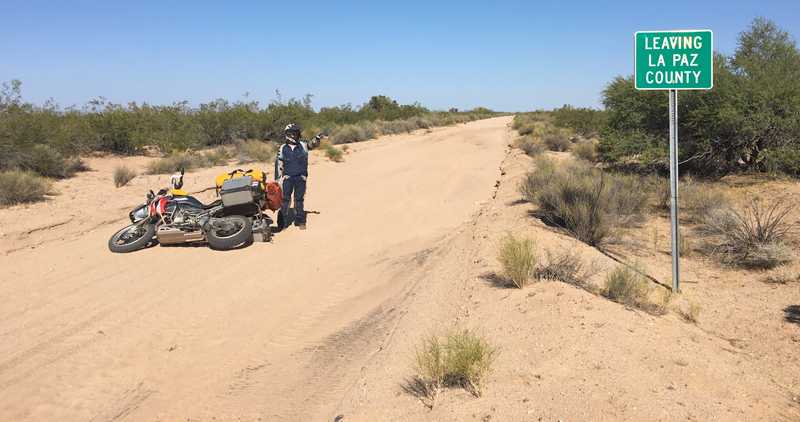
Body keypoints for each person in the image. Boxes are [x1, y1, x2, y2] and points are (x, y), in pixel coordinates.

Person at [274, 123, 322, 230]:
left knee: (299, 200)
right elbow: (278, 164)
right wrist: (276, 180)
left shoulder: (303, 145)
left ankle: (301, 221)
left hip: (301, 177)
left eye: (296, 133)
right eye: (292, 133)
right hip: (287, 178)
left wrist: (317, 138)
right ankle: (282, 223)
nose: (294, 135)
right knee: (285, 200)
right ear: (288, 134)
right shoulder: (282, 148)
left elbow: (313, 144)